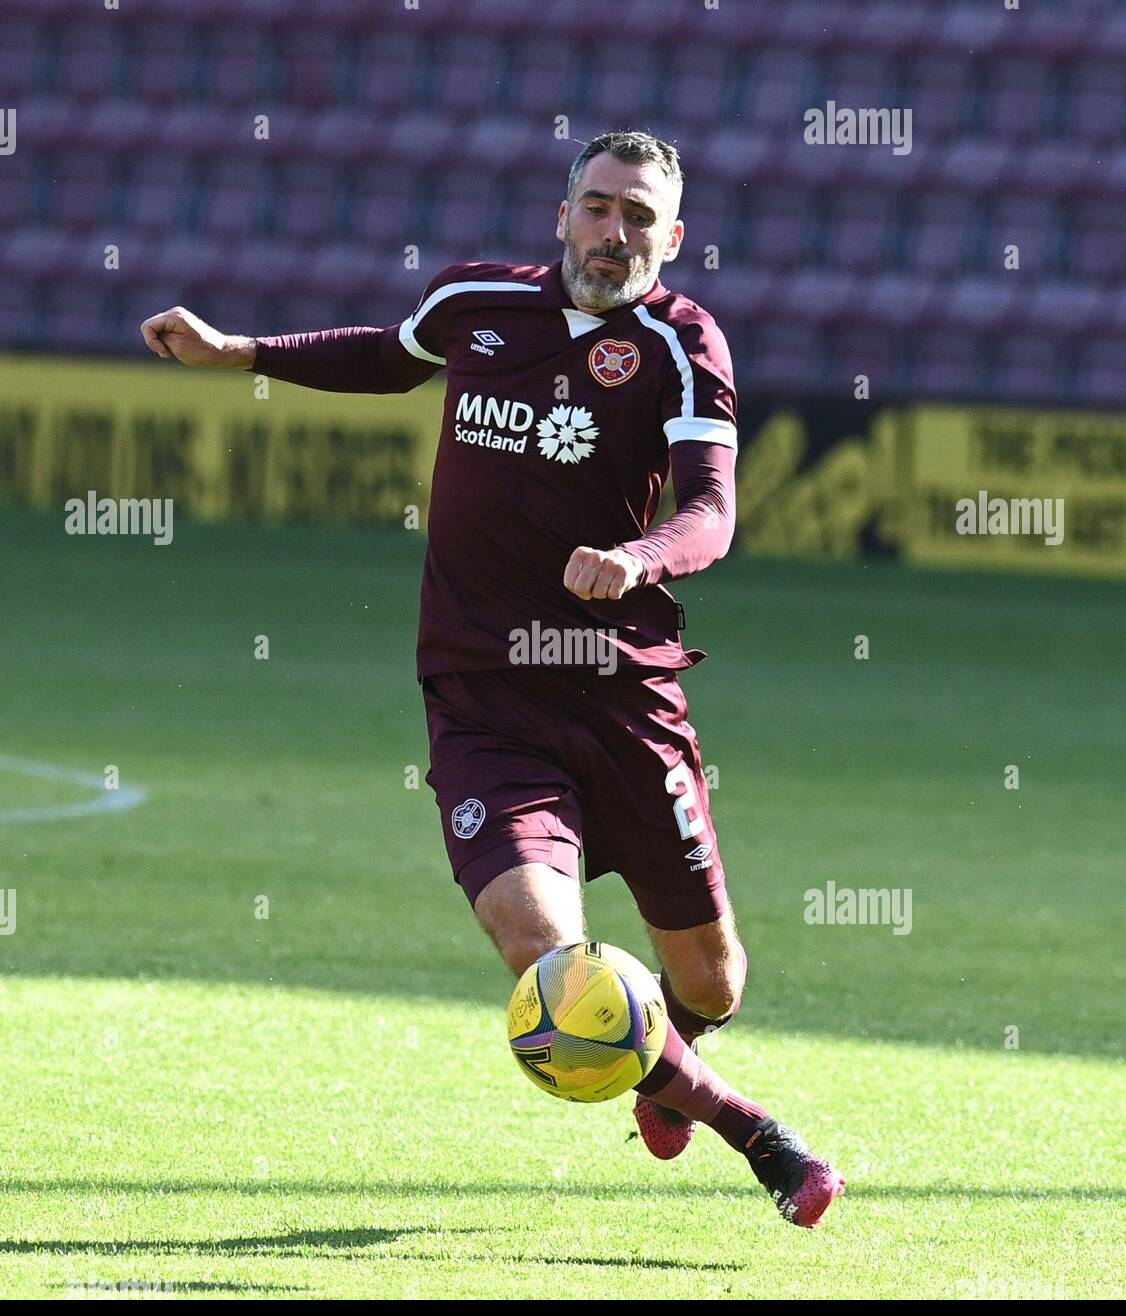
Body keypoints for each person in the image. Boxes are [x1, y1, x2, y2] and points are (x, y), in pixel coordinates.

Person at [140, 129, 845, 1227]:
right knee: (542, 954)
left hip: (621, 694)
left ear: (674, 237)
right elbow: (389, 353)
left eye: (639, 218)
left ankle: (667, 1052)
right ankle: (753, 1131)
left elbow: (712, 509)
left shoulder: (679, 341)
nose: (616, 233)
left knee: (710, 984)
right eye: (599, 207)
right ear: (563, 213)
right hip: (483, 696)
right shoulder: (477, 298)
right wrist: (243, 352)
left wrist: (638, 558)